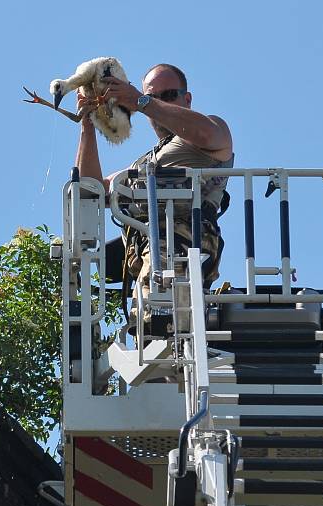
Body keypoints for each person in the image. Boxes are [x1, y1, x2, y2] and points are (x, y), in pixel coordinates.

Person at [74, 63, 234, 320]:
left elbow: (206, 134)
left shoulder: (213, 131)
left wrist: (140, 100)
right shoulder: (146, 163)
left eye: (168, 95)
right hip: (149, 256)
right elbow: (91, 189)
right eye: (152, 96)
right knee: (152, 330)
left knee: (166, 325)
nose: (156, 103)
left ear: (187, 98)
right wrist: (88, 123)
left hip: (182, 246)